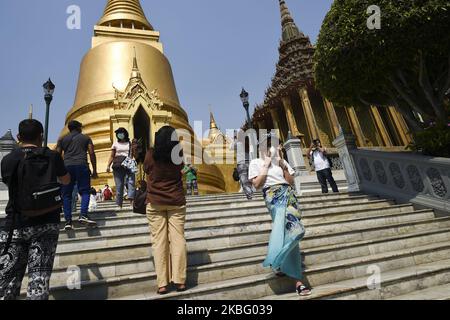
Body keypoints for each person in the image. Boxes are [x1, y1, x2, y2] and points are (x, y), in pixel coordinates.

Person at [0, 119, 71, 300]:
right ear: (42, 136)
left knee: (8, 281)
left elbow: (9, 182)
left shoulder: (8, 159)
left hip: (14, 224)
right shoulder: (52, 156)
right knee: (38, 279)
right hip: (46, 223)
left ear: (18, 137)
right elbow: (66, 180)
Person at [249, 133, 311, 296]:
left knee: (294, 232)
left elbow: (290, 181)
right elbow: (256, 184)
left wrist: (283, 164)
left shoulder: (281, 162)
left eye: (277, 145)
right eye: (273, 144)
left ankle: (278, 262)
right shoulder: (256, 162)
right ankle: (297, 280)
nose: (277, 147)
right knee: (292, 231)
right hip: (273, 197)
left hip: (288, 194)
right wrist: (266, 165)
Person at [144, 126, 187, 295]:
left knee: (159, 243)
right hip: (176, 200)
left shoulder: (151, 154)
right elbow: (181, 170)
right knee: (178, 240)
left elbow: (147, 169)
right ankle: (180, 281)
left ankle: (162, 284)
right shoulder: (178, 154)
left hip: (155, 202)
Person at [57, 120, 98, 230]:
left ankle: (68, 221)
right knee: (85, 191)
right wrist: (94, 170)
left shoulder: (62, 139)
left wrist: (60, 170)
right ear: (79, 127)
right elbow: (92, 153)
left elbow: (57, 154)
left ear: (69, 128)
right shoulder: (86, 138)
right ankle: (83, 215)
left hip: (67, 167)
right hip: (82, 165)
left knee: (66, 194)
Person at [106, 128, 136, 209]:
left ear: (125, 134)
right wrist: (108, 165)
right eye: (118, 133)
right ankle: (119, 204)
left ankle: (131, 202)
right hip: (118, 165)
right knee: (119, 185)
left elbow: (133, 155)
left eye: (121, 133)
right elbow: (112, 156)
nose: (119, 134)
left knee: (131, 183)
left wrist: (135, 148)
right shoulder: (115, 144)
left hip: (128, 164)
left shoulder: (130, 143)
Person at [230, 130, 255, 200]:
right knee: (250, 181)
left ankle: (250, 198)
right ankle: (251, 195)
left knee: (245, 183)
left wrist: (235, 139)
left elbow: (231, 147)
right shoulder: (247, 143)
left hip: (241, 164)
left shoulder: (238, 143)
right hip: (249, 164)